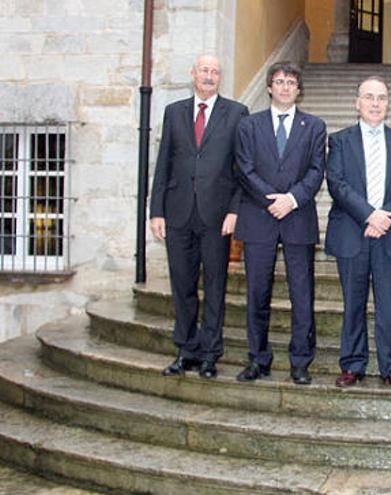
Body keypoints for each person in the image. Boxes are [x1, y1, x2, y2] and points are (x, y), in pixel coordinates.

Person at [149, 54, 248, 379]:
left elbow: (241, 170)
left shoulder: (236, 113)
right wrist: (156, 211)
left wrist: (235, 210)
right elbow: (163, 164)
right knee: (182, 285)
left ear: (221, 77)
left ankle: (210, 354)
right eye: (204, 70)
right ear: (193, 74)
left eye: (215, 72)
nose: (209, 76)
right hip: (177, 214)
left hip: (217, 216)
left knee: (216, 286)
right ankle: (185, 349)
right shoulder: (174, 112)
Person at [233, 61, 326, 384]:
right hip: (259, 217)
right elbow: (244, 168)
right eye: (280, 81)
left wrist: (292, 199)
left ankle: (301, 361)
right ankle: (258, 359)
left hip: (298, 217)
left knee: (302, 294)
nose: (285, 87)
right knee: (257, 293)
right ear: (269, 87)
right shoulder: (249, 125)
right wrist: (272, 198)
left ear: (299, 90)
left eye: (291, 82)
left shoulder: (314, 126)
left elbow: (317, 170)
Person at [324, 76, 391, 390]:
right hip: (353, 233)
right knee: (353, 304)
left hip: (390, 235)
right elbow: (337, 184)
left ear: (388, 104)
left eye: (381, 98)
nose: (376, 103)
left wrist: (386, 216)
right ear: (357, 103)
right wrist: (369, 215)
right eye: (369, 97)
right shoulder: (339, 140)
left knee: (388, 306)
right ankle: (352, 365)